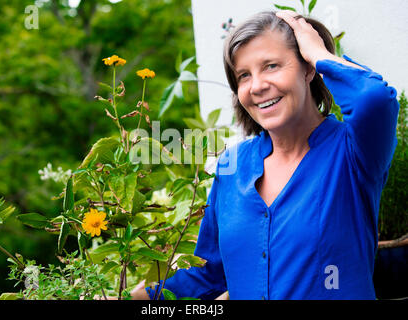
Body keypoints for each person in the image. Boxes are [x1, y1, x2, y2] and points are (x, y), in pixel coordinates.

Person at [128, 10, 400, 300]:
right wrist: (134, 298)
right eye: (244, 75)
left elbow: (374, 100)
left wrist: (318, 51)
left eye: (271, 66)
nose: (256, 86)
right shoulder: (231, 166)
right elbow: (210, 275)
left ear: (308, 69)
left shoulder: (352, 152)